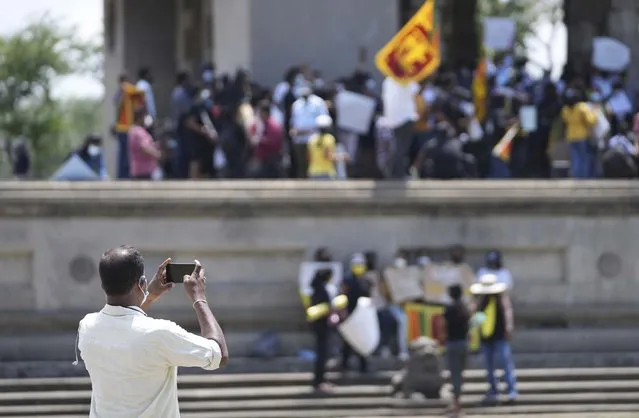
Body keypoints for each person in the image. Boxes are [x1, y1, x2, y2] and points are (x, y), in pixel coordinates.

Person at [77, 247, 228, 418]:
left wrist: (149, 295)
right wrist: (198, 296)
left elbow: (125, 327)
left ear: (103, 284)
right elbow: (219, 355)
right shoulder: (159, 333)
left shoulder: (87, 327)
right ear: (141, 283)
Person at [470, 273, 518, 405]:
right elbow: (475, 316)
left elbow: (507, 312)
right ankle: (493, 389)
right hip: (486, 337)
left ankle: (511, 390)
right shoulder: (480, 300)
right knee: (489, 365)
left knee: (505, 363)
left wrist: (509, 327)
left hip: (500, 335)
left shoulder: (501, 298)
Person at [440, 284, 470, 416]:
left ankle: (456, 404)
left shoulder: (449, 309)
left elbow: (443, 326)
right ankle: (457, 402)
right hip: (464, 343)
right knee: (460, 374)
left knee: (454, 374)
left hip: (453, 344)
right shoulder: (465, 308)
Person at [290, 86, 329, 178]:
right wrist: (293, 130)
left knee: (313, 162)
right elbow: (294, 121)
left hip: (314, 139)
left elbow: (324, 119)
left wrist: (308, 130)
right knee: (301, 164)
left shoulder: (318, 102)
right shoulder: (297, 104)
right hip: (299, 139)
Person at [340, 253, 370, 373]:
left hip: (362, 314)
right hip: (350, 313)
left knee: (361, 340)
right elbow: (343, 295)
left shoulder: (365, 280)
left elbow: (369, 296)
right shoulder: (347, 279)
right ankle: (344, 363)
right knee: (348, 340)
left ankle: (363, 365)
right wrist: (343, 312)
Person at [561, 88, 597, 178]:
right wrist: (595, 112)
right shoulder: (582, 107)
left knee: (575, 158)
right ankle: (583, 177)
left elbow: (564, 121)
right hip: (582, 136)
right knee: (583, 158)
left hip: (570, 135)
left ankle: (576, 176)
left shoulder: (565, 109)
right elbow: (591, 121)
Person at [309, 268, 335, 393]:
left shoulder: (316, 289)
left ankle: (321, 379)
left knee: (323, 353)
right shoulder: (321, 290)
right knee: (322, 354)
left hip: (320, 325)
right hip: (322, 325)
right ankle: (319, 381)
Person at [128, 108, 161, 180]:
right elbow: (143, 150)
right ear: (139, 117)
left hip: (147, 171)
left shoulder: (140, 130)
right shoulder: (137, 131)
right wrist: (157, 154)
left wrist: (155, 145)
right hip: (143, 172)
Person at [307, 114, 339, 179]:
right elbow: (328, 156)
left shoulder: (312, 139)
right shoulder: (329, 139)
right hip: (327, 172)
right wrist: (341, 157)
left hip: (313, 171)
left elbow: (309, 157)